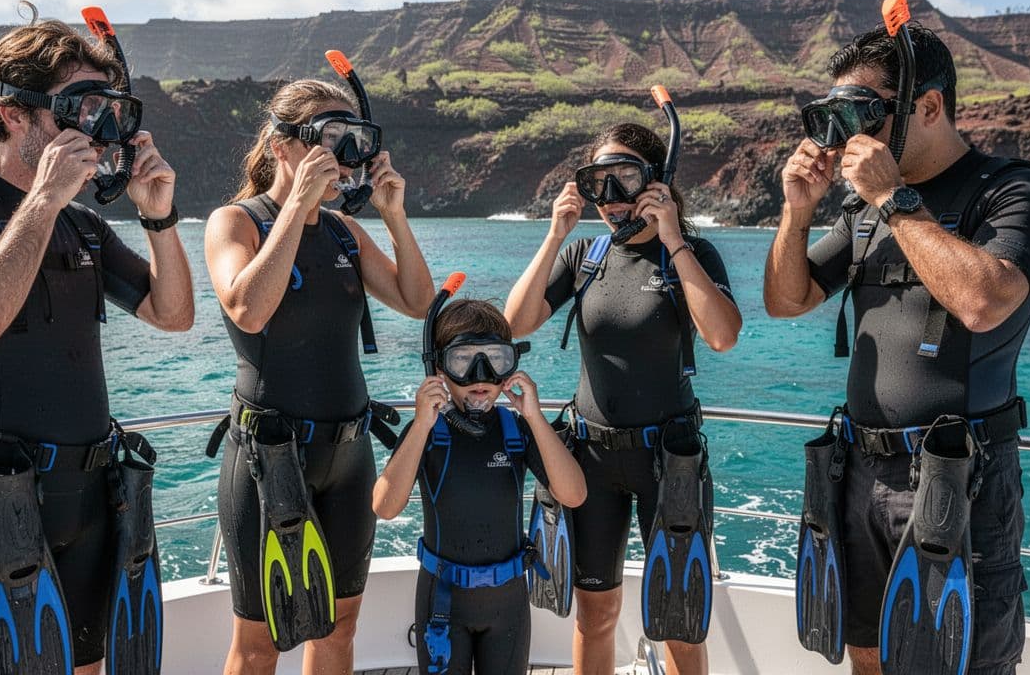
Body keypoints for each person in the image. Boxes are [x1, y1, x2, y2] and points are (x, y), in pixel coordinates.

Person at [0, 15, 194, 675]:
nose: (97, 129)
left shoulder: (83, 225)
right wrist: (42, 201)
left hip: (92, 497)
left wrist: (158, 215)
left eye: (106, 109)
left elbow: (173, 315)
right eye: (80, 110)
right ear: (13, 114)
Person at [763, 21, 1030, 675]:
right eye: (832, 118)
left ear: (928, 107)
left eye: (860, 115)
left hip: (959, 478)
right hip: (859, 472)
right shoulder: (863, 214)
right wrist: (797, 210)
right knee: (865, 649)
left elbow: (984, 302)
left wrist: (895, 198)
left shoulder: (1011, 191)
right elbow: (787, 299)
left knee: (958, 661)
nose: (845, 139)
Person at [203, 77, 434, 674]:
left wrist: (394, 216)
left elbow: (417, 299)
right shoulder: (236, 223)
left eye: (353, 138)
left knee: (339, 625)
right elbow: (248, 308)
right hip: (268, 461)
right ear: (283, 146)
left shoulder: (344, 233)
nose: (344, 154)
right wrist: (296, 207)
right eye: (330, 138)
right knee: (260, 642)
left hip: (348, 455)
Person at [505, 122, 742, 675]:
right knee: (596, 613)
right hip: (591, 458)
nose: (611, 200)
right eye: (598, 183)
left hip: (669, 462)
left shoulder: (691, 253)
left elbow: (723, 336)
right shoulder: (585, 257)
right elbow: (514, 324)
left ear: (655, 182)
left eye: (626, 179)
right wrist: (555, 234)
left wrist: (674, 239)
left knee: (679, 618)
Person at [373, 298, 586, 675]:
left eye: (495, 360)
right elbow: (385, 507)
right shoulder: (428, 431)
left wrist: (534, 417)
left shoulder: (515, 429)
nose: (480, 376)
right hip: (442, 603)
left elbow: (573, 493)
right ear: (440, 368)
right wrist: (421, 424)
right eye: (463, 360)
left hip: (508, 606)